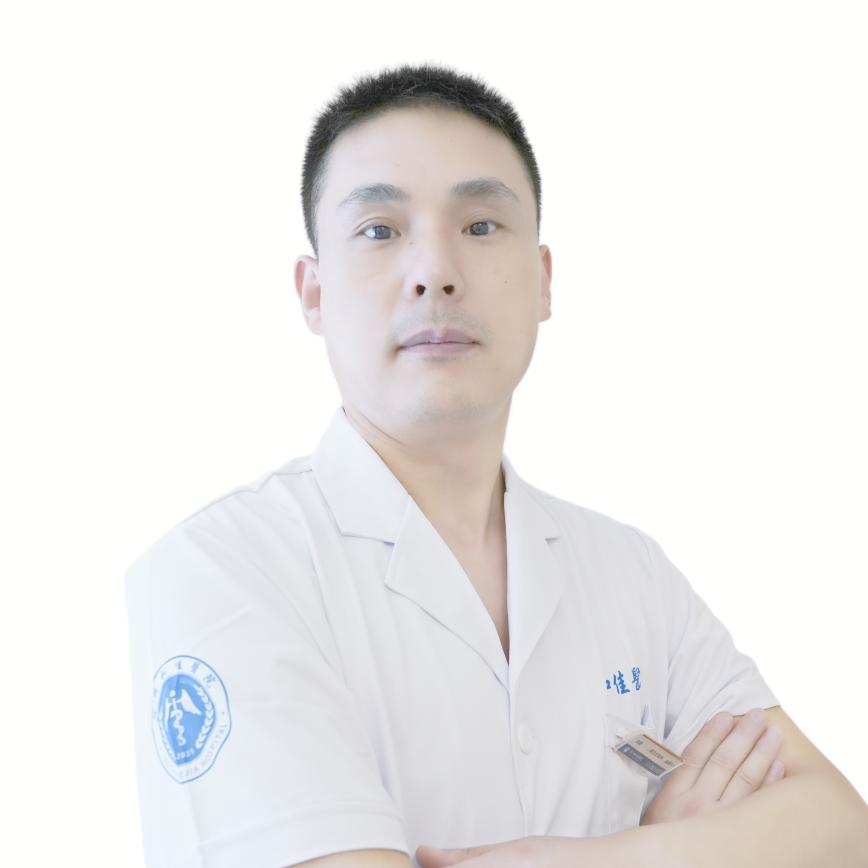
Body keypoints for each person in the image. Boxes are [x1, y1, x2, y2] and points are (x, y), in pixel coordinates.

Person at [125, 65, 868, 868]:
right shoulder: (222, 572)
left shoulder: (630, 572)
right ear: (313, 293)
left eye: (481, 226)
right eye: (378, 230)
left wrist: (582, 860)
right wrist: (684, 850)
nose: (434, 271)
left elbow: (839, 826)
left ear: (544, 283)